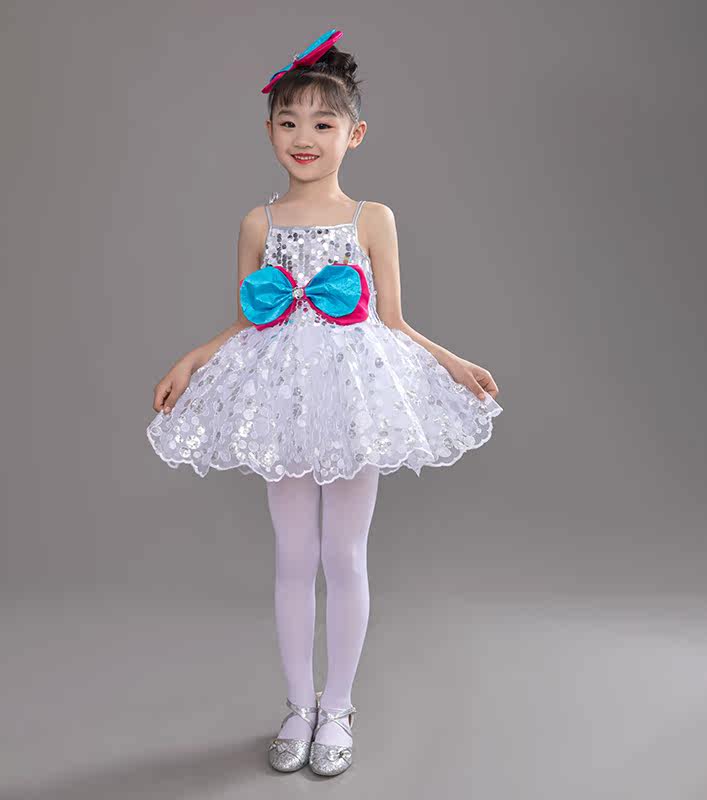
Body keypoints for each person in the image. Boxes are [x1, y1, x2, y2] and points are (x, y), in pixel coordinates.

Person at [146, 29, 502, 777]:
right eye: (288, 122)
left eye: (322, 122)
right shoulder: (258, 222)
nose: (303, 137)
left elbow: (393, 320)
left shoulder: (372, 218)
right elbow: (249, 319)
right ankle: (297, 705)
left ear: (354, 134)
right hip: (281, 395)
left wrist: (453, 362)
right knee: (292, 556)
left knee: (344, 554)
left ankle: (337, 705)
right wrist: (191, 359)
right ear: (269, 130)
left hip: (353, 397)